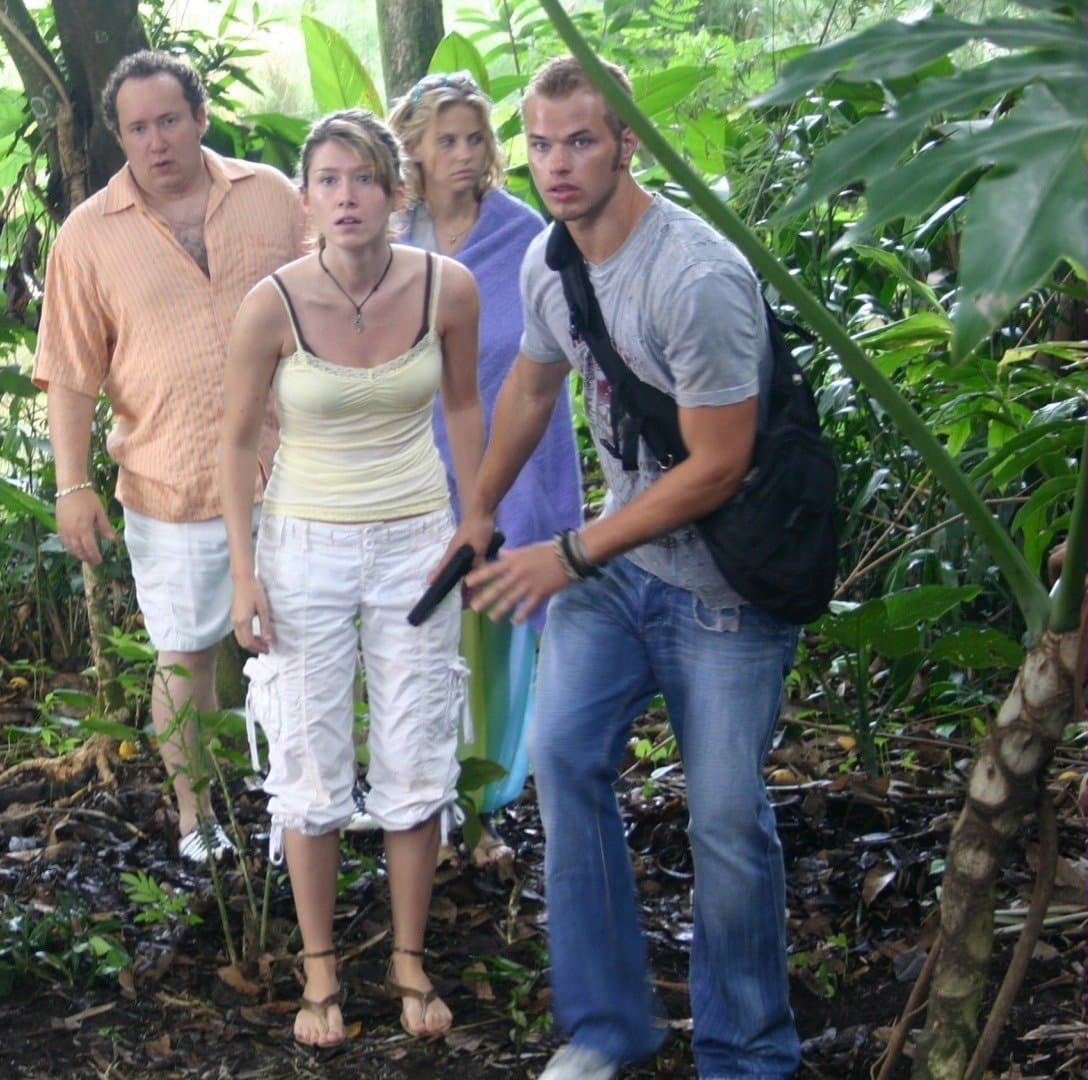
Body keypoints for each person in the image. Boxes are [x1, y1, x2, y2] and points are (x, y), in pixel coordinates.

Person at [452, 56, 802, 1080]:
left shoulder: (693, 279)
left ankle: (747, 1053)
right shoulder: (551, 261)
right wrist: (476, 512)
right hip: (619, 570)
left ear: (626, 146)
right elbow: (528, 389)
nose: (557, 166)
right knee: (562, 761)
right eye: (543, 144)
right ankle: (608, 1028)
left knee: (728, 819)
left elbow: (720, 465)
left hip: (723, 591)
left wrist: (567, 552)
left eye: (582, 143)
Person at [220, 109, 483, 1047]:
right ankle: (322, 971)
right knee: (309, 758)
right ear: (307, 197)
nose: (346, 197)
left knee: (416, 748)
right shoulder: (273, 302)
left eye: (364, 179)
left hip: (418, 541)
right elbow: (238, 439)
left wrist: (477, 517)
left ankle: (409, 958)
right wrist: (245, 576)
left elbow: (462, 404)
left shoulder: (447, 288)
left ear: (396, 191)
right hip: (303, 548)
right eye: (328, 180)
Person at [34, 50, 306, 863]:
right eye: (137, 129)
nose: (156, 142)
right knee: (186, 653)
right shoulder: (88, 236)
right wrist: (73, 484)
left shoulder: (273, 198)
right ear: (118, 136)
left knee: (303, 640)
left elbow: (344, 294)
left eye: (169, 121)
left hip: (293, 472)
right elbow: (69, 374)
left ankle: (300, 805)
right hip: (169, 483)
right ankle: (200, 820)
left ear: (201, 116)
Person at [388, 71, 583, 868]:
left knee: (490, 651)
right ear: (415, 151)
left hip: (507, 470)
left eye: (476, 139)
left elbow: (550, 358)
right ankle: (412, 805)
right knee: (413, 649)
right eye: (447, 141)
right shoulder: (390, 235)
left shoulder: (524, 234)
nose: (465, 155)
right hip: (405, 473)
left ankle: (476, 815)